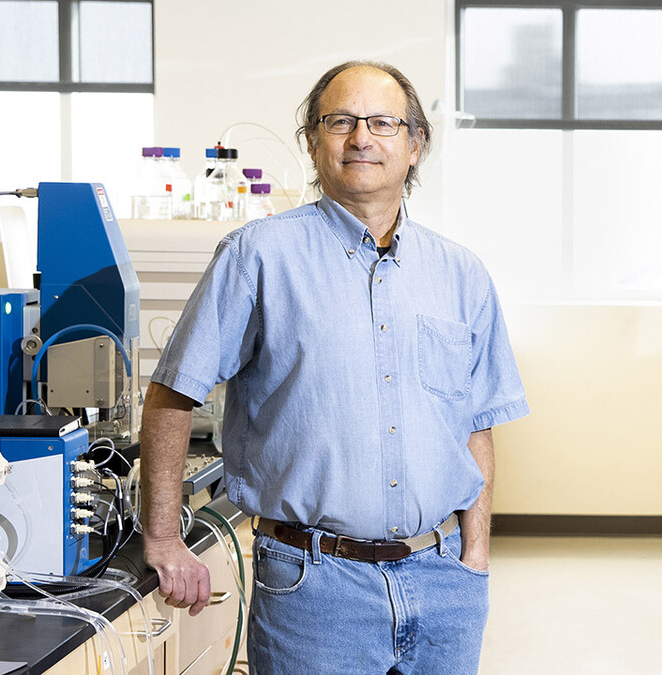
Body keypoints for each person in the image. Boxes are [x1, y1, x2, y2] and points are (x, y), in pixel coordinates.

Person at [139, 60, 529, 674]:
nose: (362, 138)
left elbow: (478, 421)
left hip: (443, 583)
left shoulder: (462, 275)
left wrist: (474, 554)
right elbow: (171, 393)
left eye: (383, 122)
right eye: (340, 121)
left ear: (415, 145)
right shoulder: (258, 256)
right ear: (313, 141)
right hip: (314, 592)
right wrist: (162, 537)